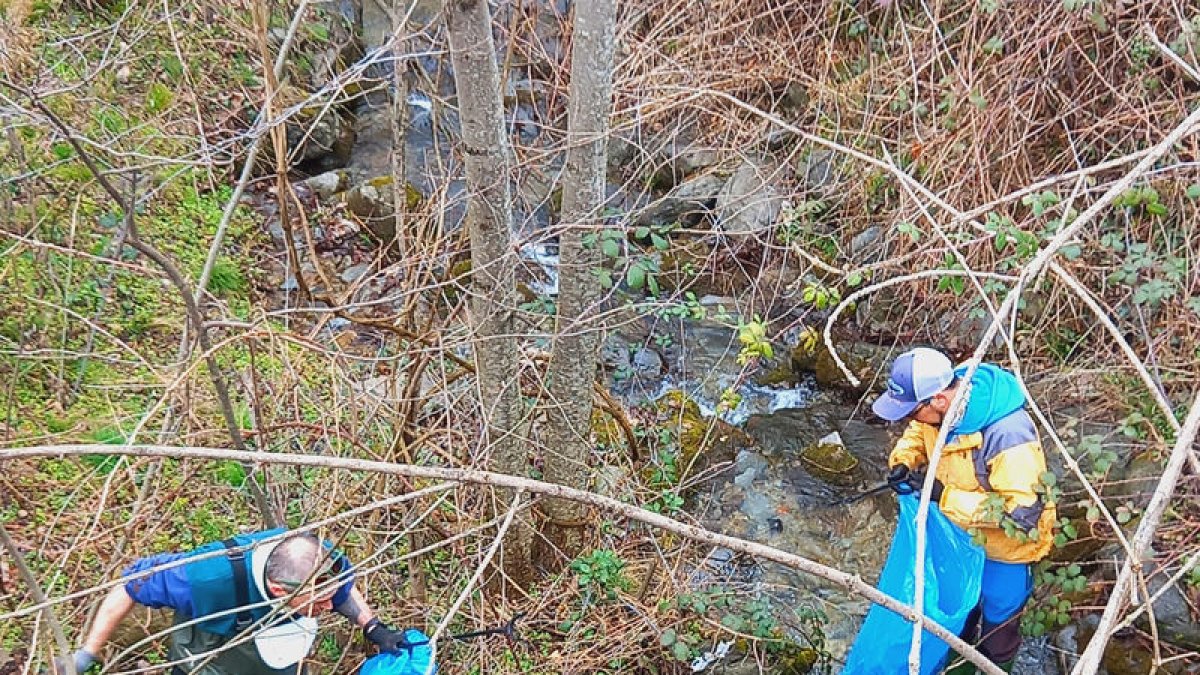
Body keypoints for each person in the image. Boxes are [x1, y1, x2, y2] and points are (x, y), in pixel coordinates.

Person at [871, 347, 1056, 674]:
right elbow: (919, 432)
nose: (907, 419)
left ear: (938, 401)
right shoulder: (944, 402)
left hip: (1007, 551)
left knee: (999, 626)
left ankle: (992, 668)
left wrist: (946, 496)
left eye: (911, 411)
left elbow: (1022, 514)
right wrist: (903, 460)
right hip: (961, 536)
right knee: (958, 614)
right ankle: (955, 664)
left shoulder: (1008, 435)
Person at [50, 528, 411, 675]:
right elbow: (130, 585)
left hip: (278, 644)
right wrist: (87, 653)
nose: (331, 609)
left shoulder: (319, 558)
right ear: (282, 591)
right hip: (209, 645)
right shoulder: (204, 578)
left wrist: (373, 626)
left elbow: (342, 590)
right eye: (319, 602)